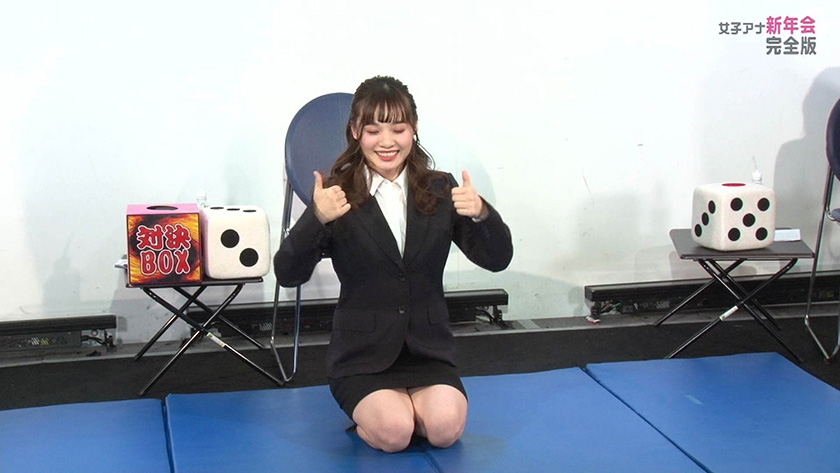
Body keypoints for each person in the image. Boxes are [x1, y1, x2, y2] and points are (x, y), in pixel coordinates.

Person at [274, 75, 513, 452]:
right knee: (395, 433)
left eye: (398, 129)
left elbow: (497, 259)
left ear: (413, 129)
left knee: (445, 430)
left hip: (427, 351)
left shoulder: (439, 188)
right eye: (373, 131)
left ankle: (412, 408)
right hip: (362, 355)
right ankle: (386, 415)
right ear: (356, 131)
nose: (387, 142)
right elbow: (288, 274)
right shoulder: (337, 194)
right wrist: (316, 218)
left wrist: (483, 213)